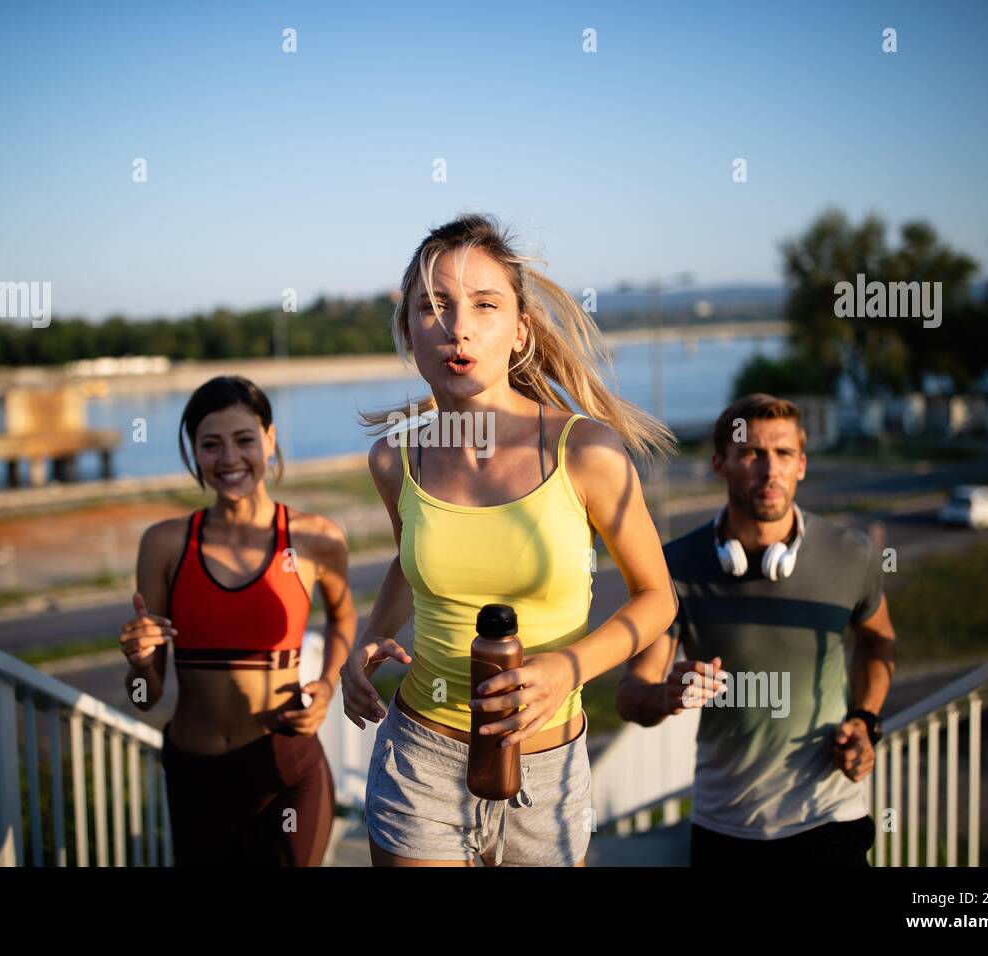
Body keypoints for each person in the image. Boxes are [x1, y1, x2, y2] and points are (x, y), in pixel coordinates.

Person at [342, 213, 679, 867]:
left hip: (548, 766)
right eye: (432, 307)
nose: (457, 326)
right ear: (410, 332)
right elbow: (412, 562)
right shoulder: (395, 459)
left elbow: (656, 599)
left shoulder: (586, 451)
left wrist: (568, 669)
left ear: (519, 329)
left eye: (484, 305)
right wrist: (365, 642)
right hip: (424, 754)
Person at [616, 393, 897, 866]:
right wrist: (666, 695)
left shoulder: (852, 554)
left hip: (829, 818)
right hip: (725, 827)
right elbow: (630, 695)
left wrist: (865, 721)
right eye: (751, 453)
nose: (770, 470)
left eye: (784, 454)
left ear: (802, 464)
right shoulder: (676, 566)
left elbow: (877, 642)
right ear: (719, 465)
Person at [119, 375, 357, 866]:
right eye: (211, 445)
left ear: (269, 439)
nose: (229, 459)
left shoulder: (317, 537)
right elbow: (147, 696)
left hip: (286, 769)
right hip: (195, 775)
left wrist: (328, 687)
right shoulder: (163, 544)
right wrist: (141, 662)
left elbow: (344, 617)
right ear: (194, 453)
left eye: (244, 440)